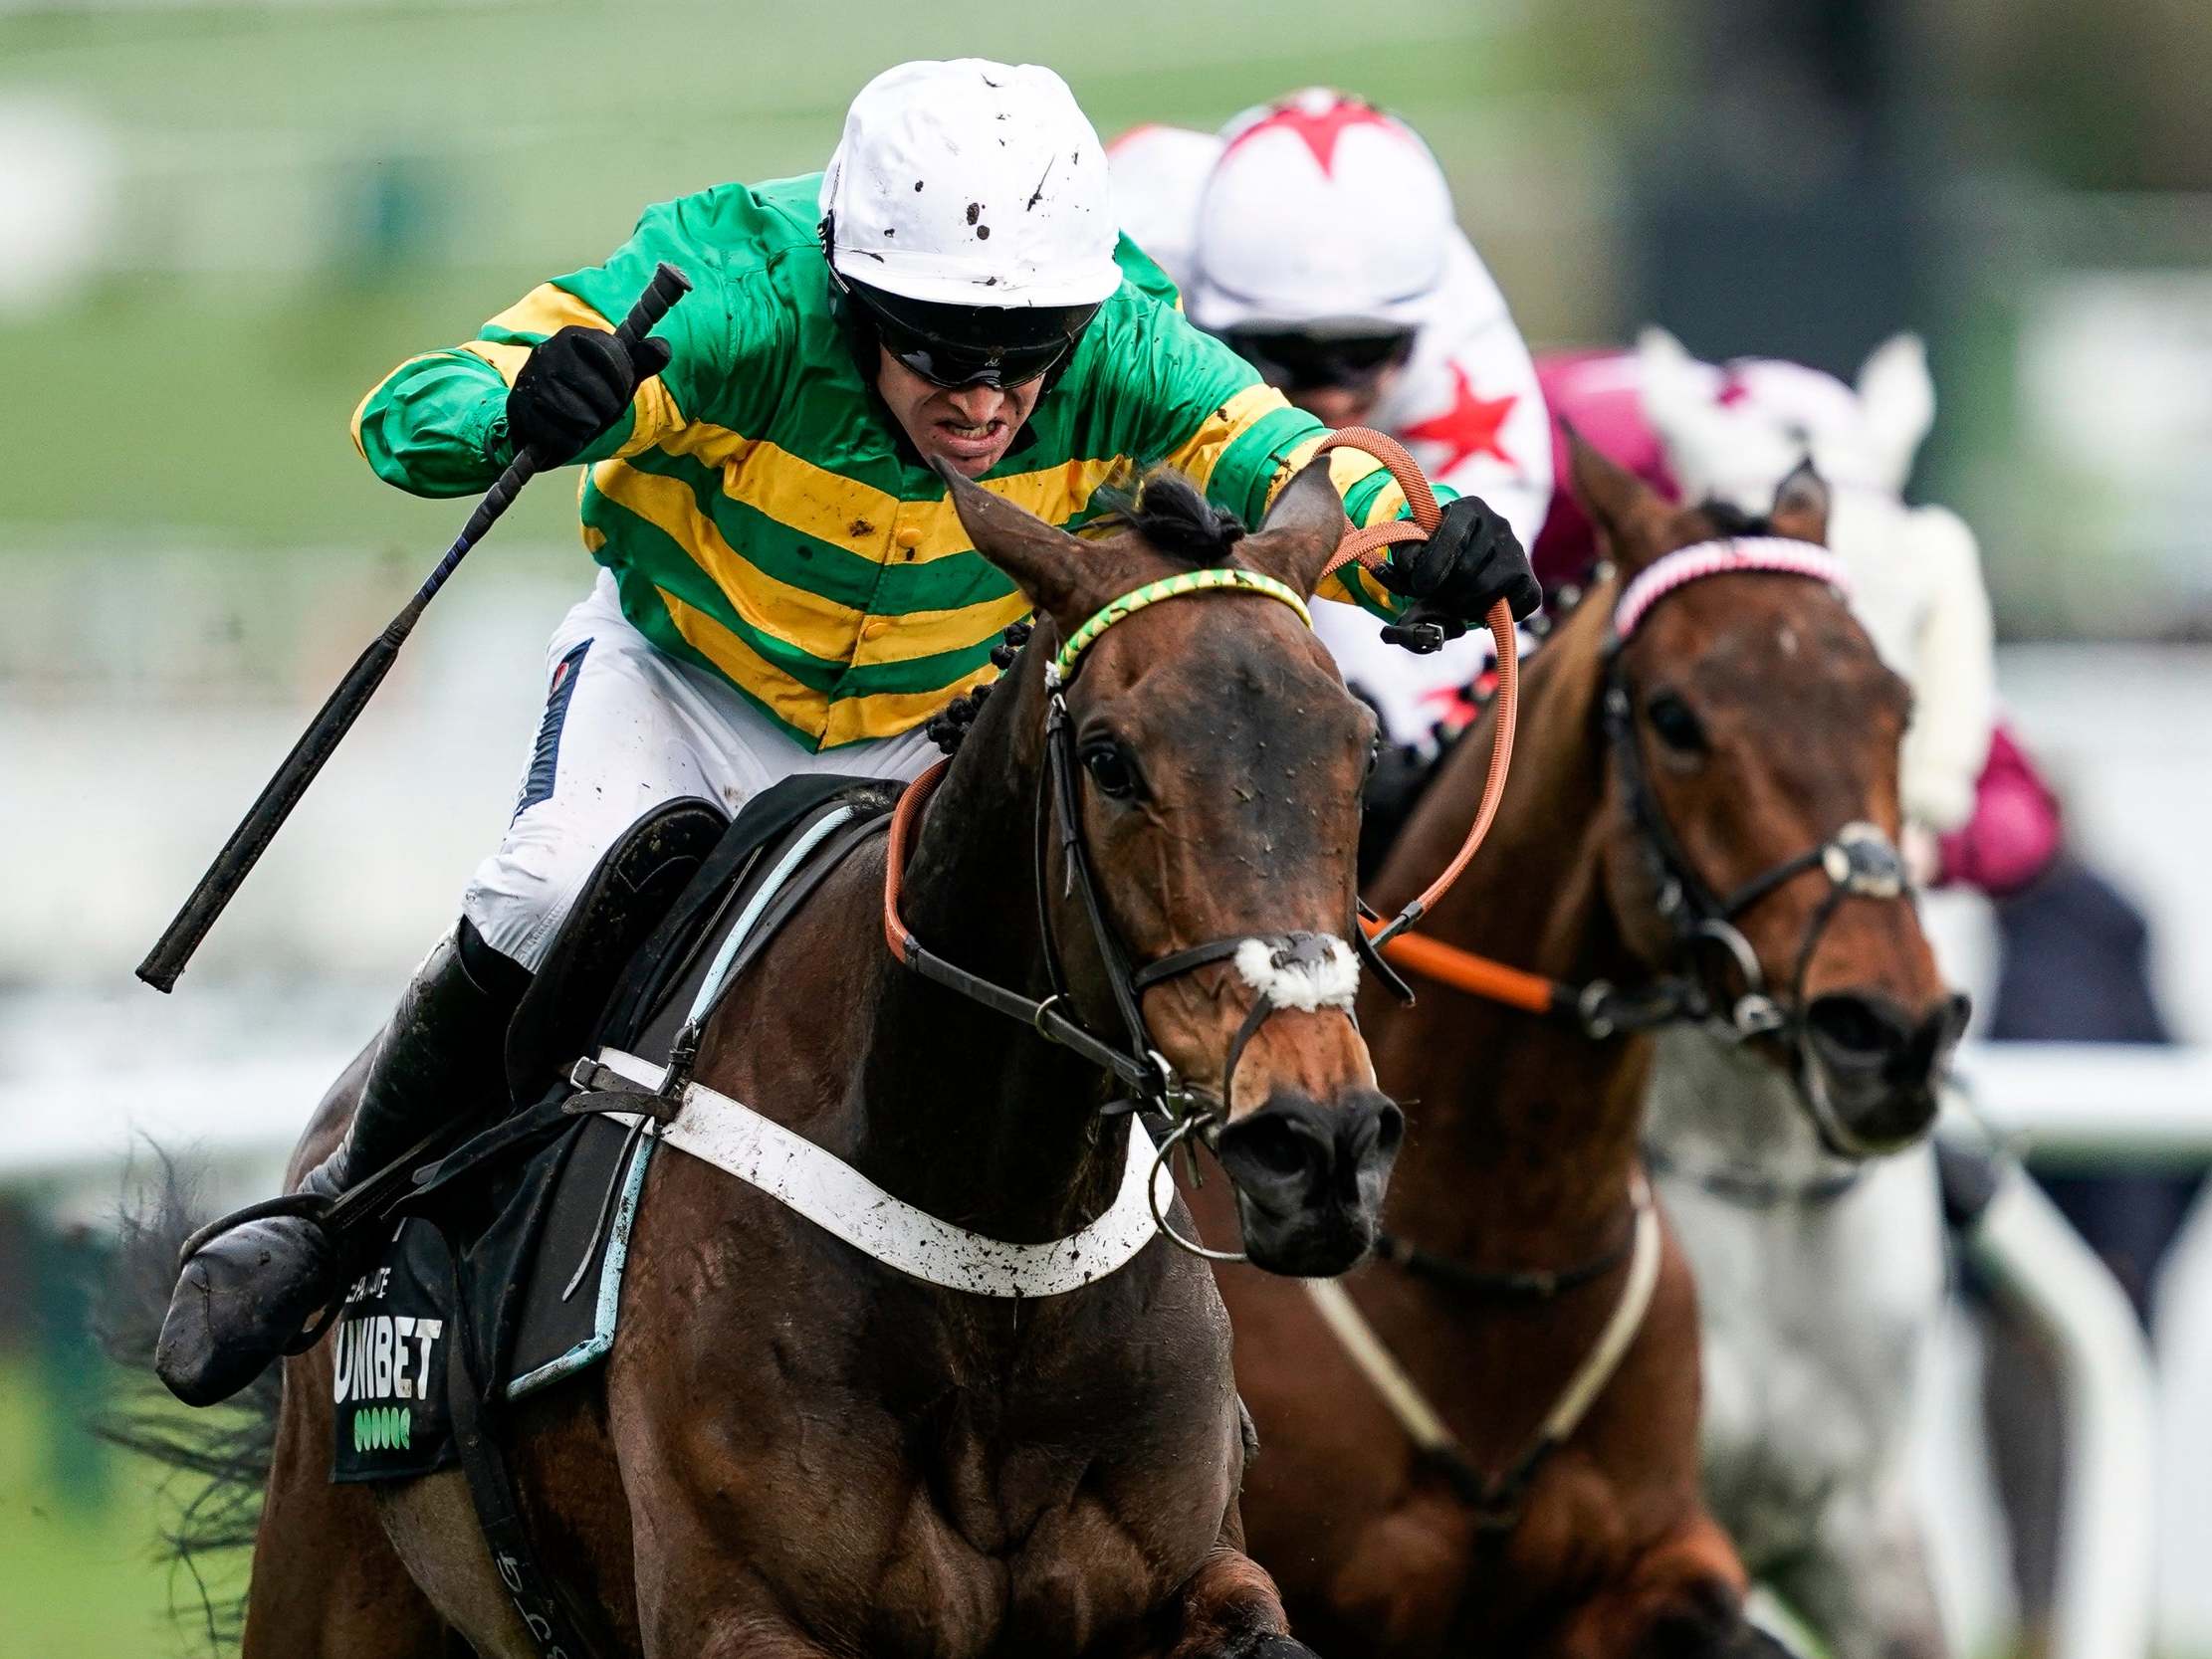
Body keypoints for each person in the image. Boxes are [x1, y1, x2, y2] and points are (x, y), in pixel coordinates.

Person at [153, 59, 1541, 1408]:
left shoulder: (1125, 334)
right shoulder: (733, 289)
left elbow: (1291, 462)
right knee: (546, 887)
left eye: (1024, 361)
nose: (983, 402)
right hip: (683, 682)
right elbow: (405, 412)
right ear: (852, 288)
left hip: (925, 730)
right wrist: (513, 403)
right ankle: (334, 1217)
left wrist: (1414, 549)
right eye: (935, 349)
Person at [1112, 91, 1554, 746]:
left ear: (1421, 328)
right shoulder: (1132, 245)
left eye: (1365, 354)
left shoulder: (1471, 355)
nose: (1332, 400)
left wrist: (1398, 724)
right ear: (1205, 308)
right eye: (1285, 355)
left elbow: (1457, 628)